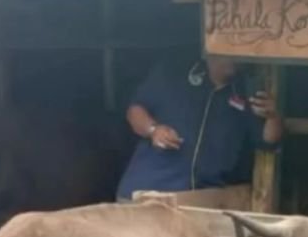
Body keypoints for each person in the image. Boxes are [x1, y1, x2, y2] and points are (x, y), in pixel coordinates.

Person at [116, 56, 282, 201]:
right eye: (227, 53)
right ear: (209, 50)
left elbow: (267, 141)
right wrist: (153, 130)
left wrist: (273, 116)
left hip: (201, 201)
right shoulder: (173, 72)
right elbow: (135, 110)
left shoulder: (245, 92)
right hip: (148, 191)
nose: (235, 59)